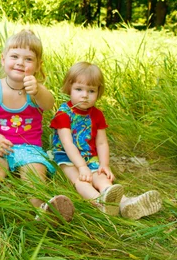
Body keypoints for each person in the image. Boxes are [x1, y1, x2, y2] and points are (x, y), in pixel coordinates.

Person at [0, 29, 74, 221]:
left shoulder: (36, 90)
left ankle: (41, 212)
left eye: (28, 59)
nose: (20, 62)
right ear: (3, 60)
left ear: (38, 66)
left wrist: (37, 91)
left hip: (30, 149)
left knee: (35, 172)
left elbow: (49, 104)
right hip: (0, 146)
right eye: (15, 56)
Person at [50, 61, 162, 219]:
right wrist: (82, 166)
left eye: (91, 91)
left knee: (101, 178)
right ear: (69, 88)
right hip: (66, 156)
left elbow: (101, 142)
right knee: (80, 180)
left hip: (89, 156)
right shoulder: (63, 114)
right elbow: (67, 143)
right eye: (79, 89)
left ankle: (126, 204)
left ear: (98, 92)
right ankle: (99, 204)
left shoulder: (96, 115)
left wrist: (104, 165)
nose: (84, 95)